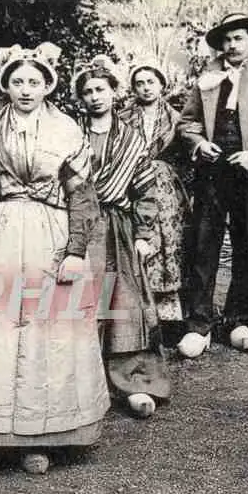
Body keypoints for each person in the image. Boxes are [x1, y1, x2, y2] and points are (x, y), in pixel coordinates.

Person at [0, 42, 109, 494]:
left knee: (45, 335)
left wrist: (76, 249)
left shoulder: (66, 130)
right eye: (17, 81)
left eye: (35, 81)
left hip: (50, 234)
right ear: (5, 86)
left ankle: (40, 437)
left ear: (48, 85)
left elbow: (82, 194)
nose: (26, 89)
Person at [176, 13, 248, 358]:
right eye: (226, 39)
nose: (231, 45)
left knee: (246, 245)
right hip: (211, 173)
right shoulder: (207, 79)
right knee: (203, 244)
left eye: (238, 38)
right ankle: (199, 325)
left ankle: (239, 319)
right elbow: (187, 122)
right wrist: (199, 144)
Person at [71, 55, 170, 418]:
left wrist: (144, 233)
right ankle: (82, 380)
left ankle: (132, 381)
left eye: (101, 89)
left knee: (124, 301)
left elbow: (145, 191)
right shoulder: (70, 133)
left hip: (118, 229)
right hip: (79, 226)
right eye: (88, 92)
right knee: (80, 299)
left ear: (114, 92)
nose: (95, 97)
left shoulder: (131, 138)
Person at [119, 61, 189, 345]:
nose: (146, 88)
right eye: (140, 83)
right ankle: (139, 317)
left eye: (151, 82)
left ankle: (169, 318)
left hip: (166, 187)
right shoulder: (123, 117)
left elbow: (187, 156)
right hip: (132, 183)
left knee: (168, 242)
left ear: (162, 84)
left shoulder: (177, 119)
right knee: (138, 239)